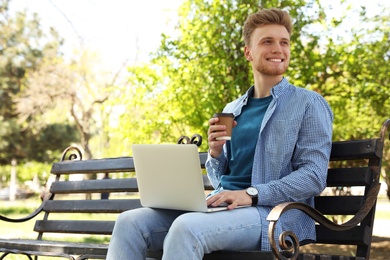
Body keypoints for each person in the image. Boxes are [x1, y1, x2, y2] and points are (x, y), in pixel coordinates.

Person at [106, 8, 333, 259]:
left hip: (270, 215)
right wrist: (214, 154)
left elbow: (313, 176)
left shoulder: (309, 103)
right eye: (267, 41)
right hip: (221, 206)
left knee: (186, 228)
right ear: (248, 52)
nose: (278, 49)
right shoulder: (232, 109)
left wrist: (251, 194)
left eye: (284, 42)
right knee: (129, 222)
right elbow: (220, 180)